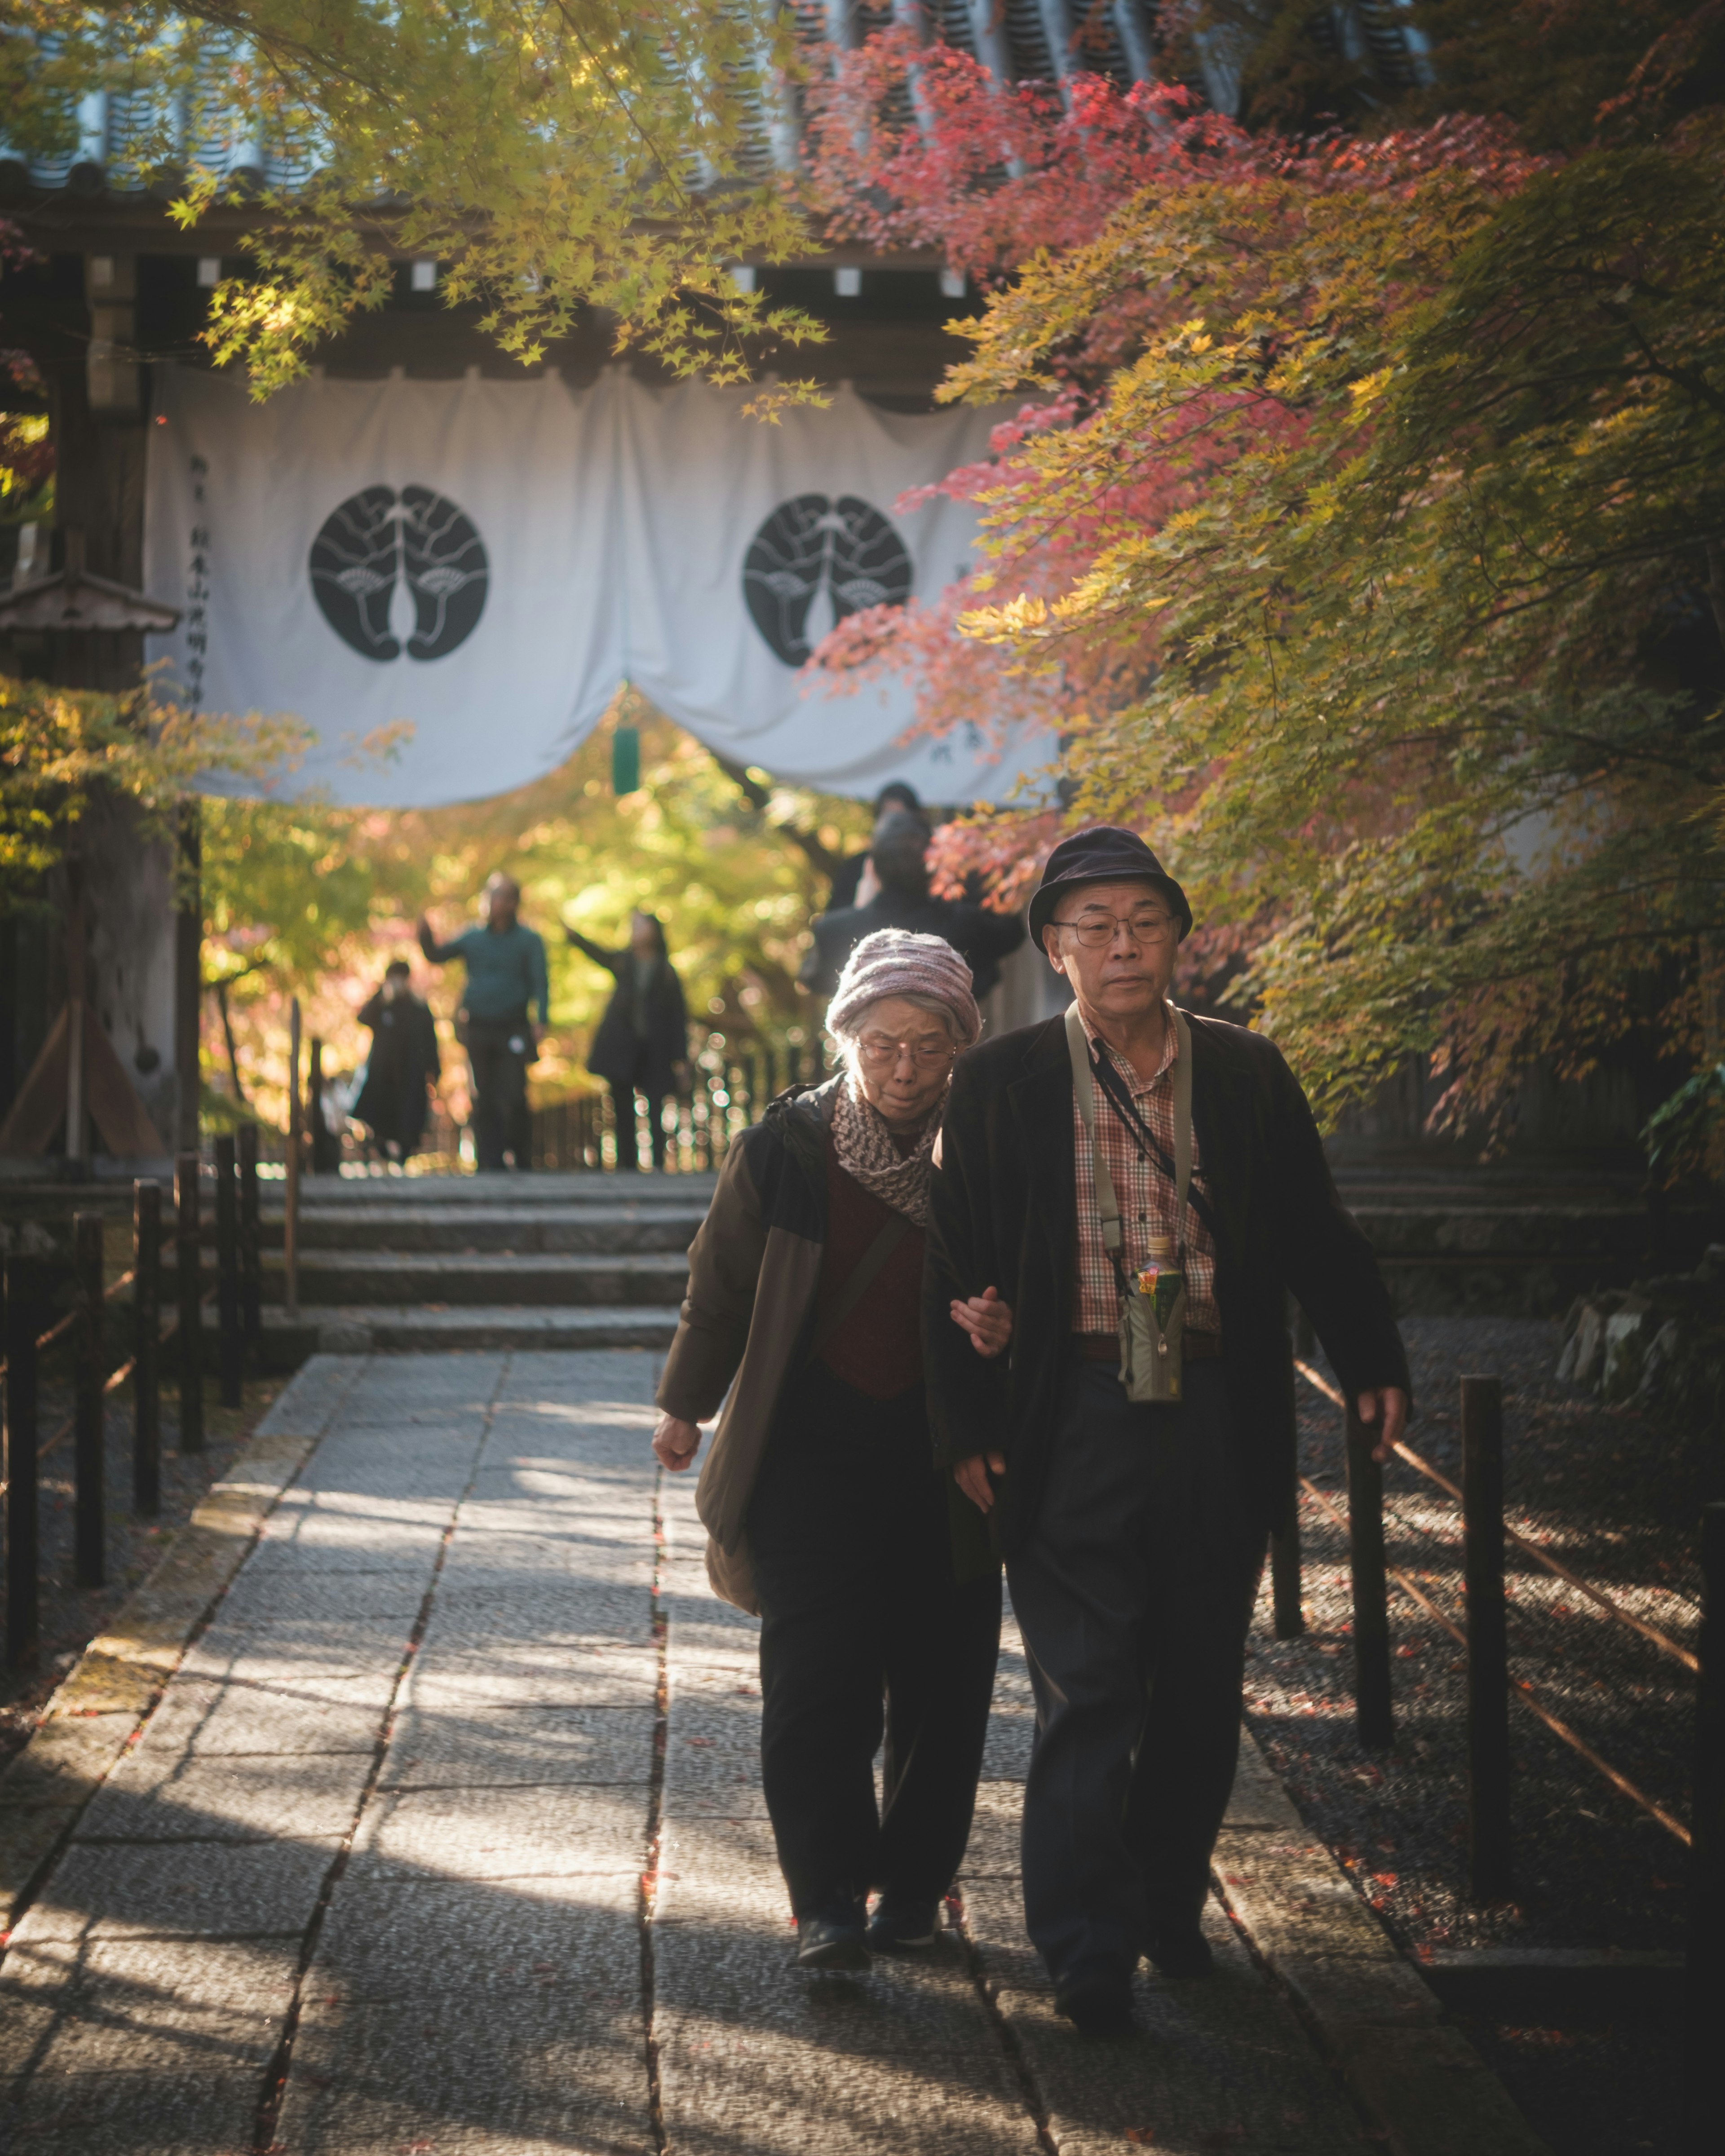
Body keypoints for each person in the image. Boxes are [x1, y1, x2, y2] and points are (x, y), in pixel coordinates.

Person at [923, 825, 1412, 2038]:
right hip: (1067, 1405)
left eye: (1143, 920)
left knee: (1199, 1680)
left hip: (1214, 1403)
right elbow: (954, 1263)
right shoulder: (1001, 1083)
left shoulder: (1244, 1073)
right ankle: (1089, 1948)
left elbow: (1314, 1227)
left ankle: (1165, 1901)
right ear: (1051, 948)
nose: (1121, 944)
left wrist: (1372, 1360)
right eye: (1092, 925)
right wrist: (967, 1426)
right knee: (1087, 1686)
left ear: (1181, 938)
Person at [652, 929, 1012, 1969]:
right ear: (845, 1035)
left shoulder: (990, 1146)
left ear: (961, 1045)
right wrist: (683, 1402)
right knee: (817, 1682)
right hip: (807, 1451)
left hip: (949, 1453)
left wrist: (1009, 1321)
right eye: (883, 1042)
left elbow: (1041, 1271)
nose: (905, 1067)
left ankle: (909, 1889)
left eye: (931, 1046)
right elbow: (718, 1286)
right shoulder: (786, 1145)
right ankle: (825, 1903)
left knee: (943, 1686)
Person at [802, 808, 1026, 1002]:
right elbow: (1011, 933)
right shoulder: (965, 924)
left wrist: (860, 909)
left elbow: (817, 980)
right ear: (934, 866)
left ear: (872, 867)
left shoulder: (833, 930)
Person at [417, 873, 548, 1173]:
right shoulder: (472, 937)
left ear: (513, 903)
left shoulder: (529, 941)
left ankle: (521, 1158)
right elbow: (438, 955)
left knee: (514, 1094)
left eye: (498, 896)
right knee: (483, 1095)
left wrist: (541, 1020)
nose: (491, 901)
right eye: (489, 895)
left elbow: (540, 982)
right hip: (478, 1026)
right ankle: (489, 1163)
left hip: (513, 1025)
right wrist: (425, 936)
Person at [566, 910, 690, 1171]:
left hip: (656, 1049)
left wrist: (681, 1058)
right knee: (621, 1107)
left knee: (656, 1105)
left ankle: (657, 1162)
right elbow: (598, 954)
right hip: (622, 1047)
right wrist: (574, 937)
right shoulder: (623, 962)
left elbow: (679, 1017)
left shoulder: (666, 971)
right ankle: (627, 1164)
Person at [352, 959, 440, 1164]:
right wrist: (381, 997)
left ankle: (405, 1150)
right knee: (379, 1111)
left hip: (411, 1072)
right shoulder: (382, 1005)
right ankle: (380, 1144)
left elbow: (430, 1041)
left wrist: (434, 1071)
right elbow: (363, 1018)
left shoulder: (418, 1008)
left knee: (410, 1115)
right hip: (383, 1071)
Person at [826, 780, 924, 911]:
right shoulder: (853, 868)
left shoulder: (929, 868)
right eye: (888, 819)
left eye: (901, 820)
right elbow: (836, 922)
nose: (894, 829)